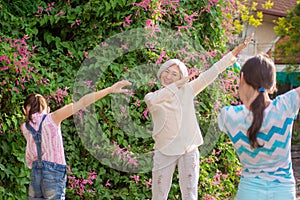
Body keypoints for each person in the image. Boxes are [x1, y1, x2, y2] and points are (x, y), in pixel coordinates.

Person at [144, 35, 253, 200]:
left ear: (181, 78)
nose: (168, 76)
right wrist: (175, 86)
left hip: (188, 149)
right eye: (166, 71)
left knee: (190, 194)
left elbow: (211, 73)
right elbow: (153, 100)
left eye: (174, 74)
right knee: (158, 195)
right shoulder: (152, 96)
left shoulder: (188, 90)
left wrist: (234, 53)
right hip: (164, 151)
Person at [21, 80, 131, 199]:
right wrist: (110, 89)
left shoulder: (25, 127)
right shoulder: (52, 118)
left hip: (36, 173)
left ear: (24, 110)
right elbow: (83, 102)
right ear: (47, 109)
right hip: (54, 172)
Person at [218, 54, 300, 200]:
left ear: (242, 79)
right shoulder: (286, 105)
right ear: (273, 85)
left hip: (249, 192)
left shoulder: (228, 115)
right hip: (283, 192)